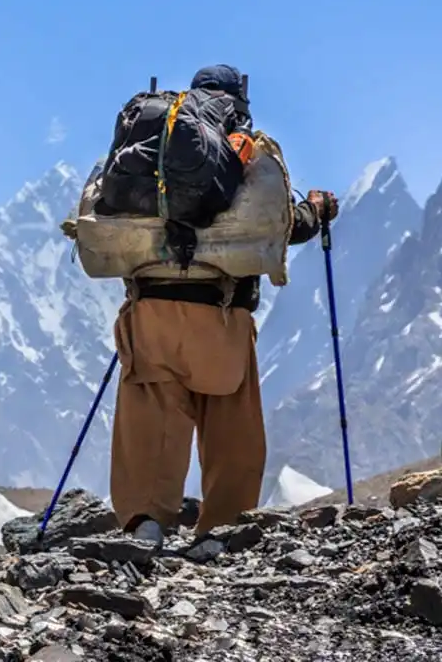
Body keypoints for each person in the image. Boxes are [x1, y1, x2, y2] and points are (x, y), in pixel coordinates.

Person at [107, 64, 340, 549]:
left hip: (148, 310)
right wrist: (316, 211)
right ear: (239, 99)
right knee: (230, 419)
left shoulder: (149, 144)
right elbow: (276, 224)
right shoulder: (240, 147)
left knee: (152, 417)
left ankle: (145, 522)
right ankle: (221, 527)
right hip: (220, 312)